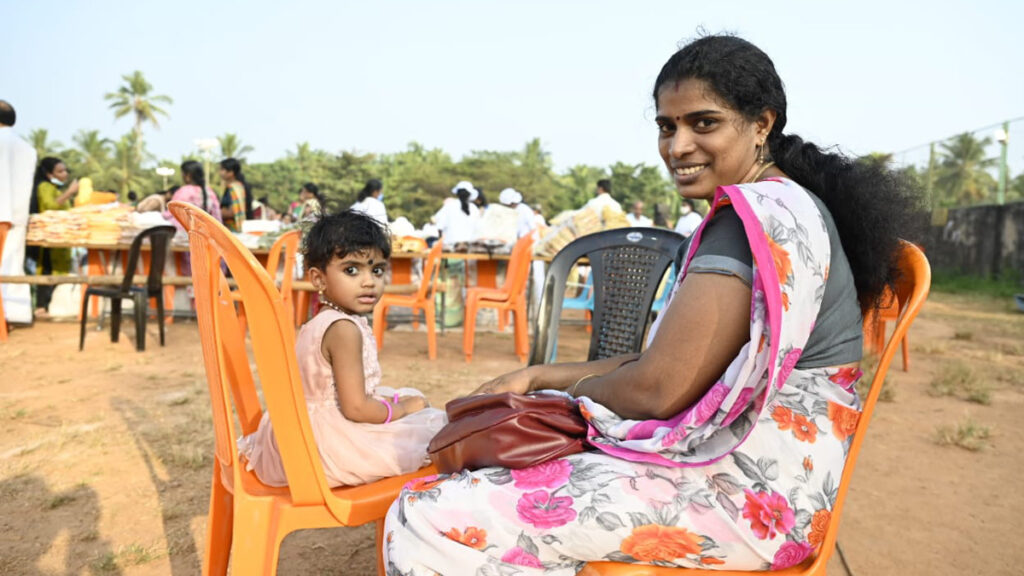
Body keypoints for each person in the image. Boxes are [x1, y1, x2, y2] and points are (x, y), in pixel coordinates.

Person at [383, 34, 920, 573]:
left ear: (762, 124)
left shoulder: (750, 222)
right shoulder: (785, 207)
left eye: (703, 123)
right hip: (767, 483)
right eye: (667, 126)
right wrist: (538, 376)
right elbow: (663, 365)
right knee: (500, 473)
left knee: (429, 513)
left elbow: (656, 389)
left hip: (747, 501)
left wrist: (567, 392)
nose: (677, 145)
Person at [237, 210, 446, 487]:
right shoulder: (343, 330)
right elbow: (357, 409)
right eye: (351, 270)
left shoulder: (321, 322)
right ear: (318, 279)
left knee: (411, 402)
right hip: (325, 449)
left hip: (297, 435)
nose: (369, 281)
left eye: (377, 269)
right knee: (438, 431)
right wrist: (404, 410)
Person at [0, 99, 37, 325]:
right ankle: (15, 313)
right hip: (17, 215)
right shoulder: (27, 148)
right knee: (13, 263)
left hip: (1, 212)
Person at [27, 157, 79, 318]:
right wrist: (69, 193)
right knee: (47, 270)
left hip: (60, 240)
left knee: (58, 272)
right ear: (49, 174)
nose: (65, 174)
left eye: (65, 170)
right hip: (48, 241)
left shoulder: (55, 188)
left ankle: (52, 306)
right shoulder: (44, 187)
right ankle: (41, 306)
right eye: (60, 171)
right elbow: (49, 205)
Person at [166, 160, 222, 231]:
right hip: (206, 236)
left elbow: (169, 214)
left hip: (184, 236)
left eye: (182, 173)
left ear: (188, 175)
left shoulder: (184, 191)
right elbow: (217, 217)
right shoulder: (210, 192)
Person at [432, 181, 480, 246]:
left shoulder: (449, 206)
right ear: (470, 194)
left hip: (450, 245)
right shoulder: (474, 208)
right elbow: (478, 228)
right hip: (469, 246)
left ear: (457, 193)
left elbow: (439, 227)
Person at [218, 158, 252, 232]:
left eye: (222, 169)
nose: (220, 172)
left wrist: (214, 212)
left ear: (231, 172)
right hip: (240, 227)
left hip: (232, 228)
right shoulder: (240, 186)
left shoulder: (232, 188)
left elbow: (232, 212)